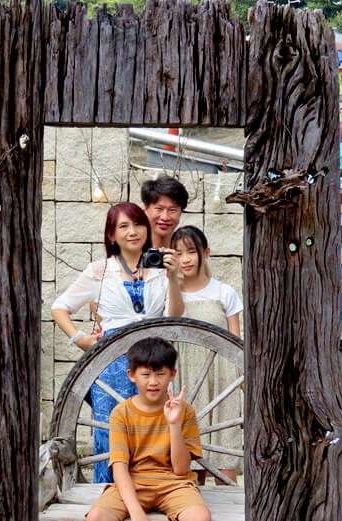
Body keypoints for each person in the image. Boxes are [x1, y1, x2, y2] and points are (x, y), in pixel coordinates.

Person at [51, 203, 183, 483]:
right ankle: (109, 496)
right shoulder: (100, 270)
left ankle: (153, 492)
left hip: (154, 359)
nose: (133, 232)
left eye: (138, 225)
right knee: (111, 434)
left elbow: (174, 317)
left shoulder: (160, 268)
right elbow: (59, 307)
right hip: (111, 365)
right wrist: (79, 339)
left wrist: (173, 278)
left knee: (154, 432)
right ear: (111, 235)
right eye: (123, 226)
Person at [86, 338, 210, 521]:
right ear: (132, 375)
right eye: (145, 375)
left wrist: (174, 424)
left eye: (160, 374)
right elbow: (120, 468)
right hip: (132, 483)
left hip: (174, 484)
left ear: (172, 374)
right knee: (96, 517)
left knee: (200, 517)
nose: (153, 382)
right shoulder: (120, 413)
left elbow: (181, 469)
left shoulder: (184, 410)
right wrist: (136, 512)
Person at [171, 225, 243, 483]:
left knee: (226, 454)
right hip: (185, 379)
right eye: (178, 253)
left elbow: (236, 343)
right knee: (191, 460)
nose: (185, 259)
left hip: (221, 379)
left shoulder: (225, 293)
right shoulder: (171, 294)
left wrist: (242, 382)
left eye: (191, 251)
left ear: (206, 253)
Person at [141, 176, 189, 249]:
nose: (165, 217)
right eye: (159, 209)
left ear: (181, 212)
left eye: (172, 210)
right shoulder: (132, 250)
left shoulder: (186, 253)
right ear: (146, 208)